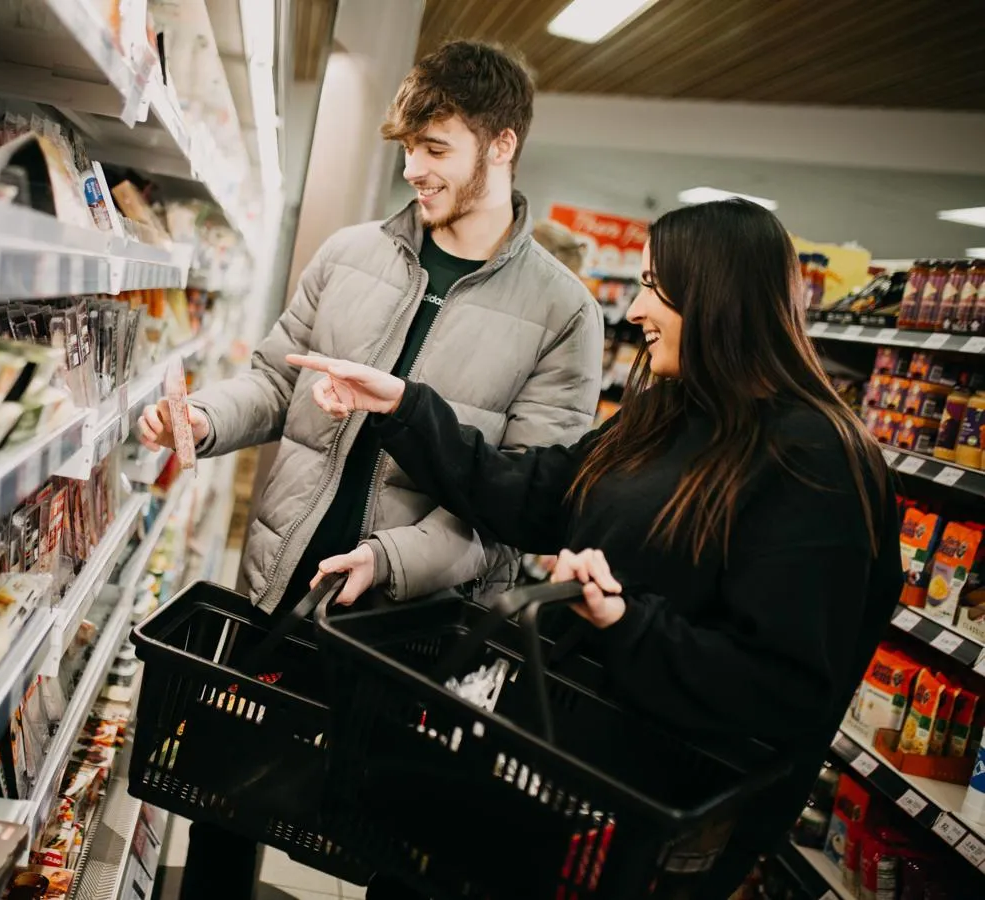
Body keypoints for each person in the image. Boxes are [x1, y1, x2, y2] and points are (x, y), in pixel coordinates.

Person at [293, 198, 902, 898]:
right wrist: (404, 405)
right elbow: (537, 495)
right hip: (549, 766)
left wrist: (624, 620)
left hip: (631, 831)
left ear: (716, 295)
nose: (635, 310)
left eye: (653, 286)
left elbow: (781, 689)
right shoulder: (669, 413)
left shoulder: (815, 461)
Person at [138, 39, 602, 900]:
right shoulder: (350, 253)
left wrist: (391, 562)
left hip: (408, 633)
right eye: (407, 149)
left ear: (502, 145)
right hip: (281, 585)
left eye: (436, 149)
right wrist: (202, 420)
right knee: (222, 800)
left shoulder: (562, 315)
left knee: (391, 852)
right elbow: (278, 381)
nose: (414, 171)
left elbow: (522, 509)